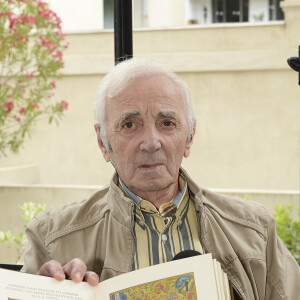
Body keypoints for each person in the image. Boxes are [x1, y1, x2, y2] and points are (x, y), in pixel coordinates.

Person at [22, 58, 300, 299]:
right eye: (130, 125)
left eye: (167, 123)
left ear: (189, 137)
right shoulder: (51, 240)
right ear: (102, 141)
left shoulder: (254, 232)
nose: (151, 142)